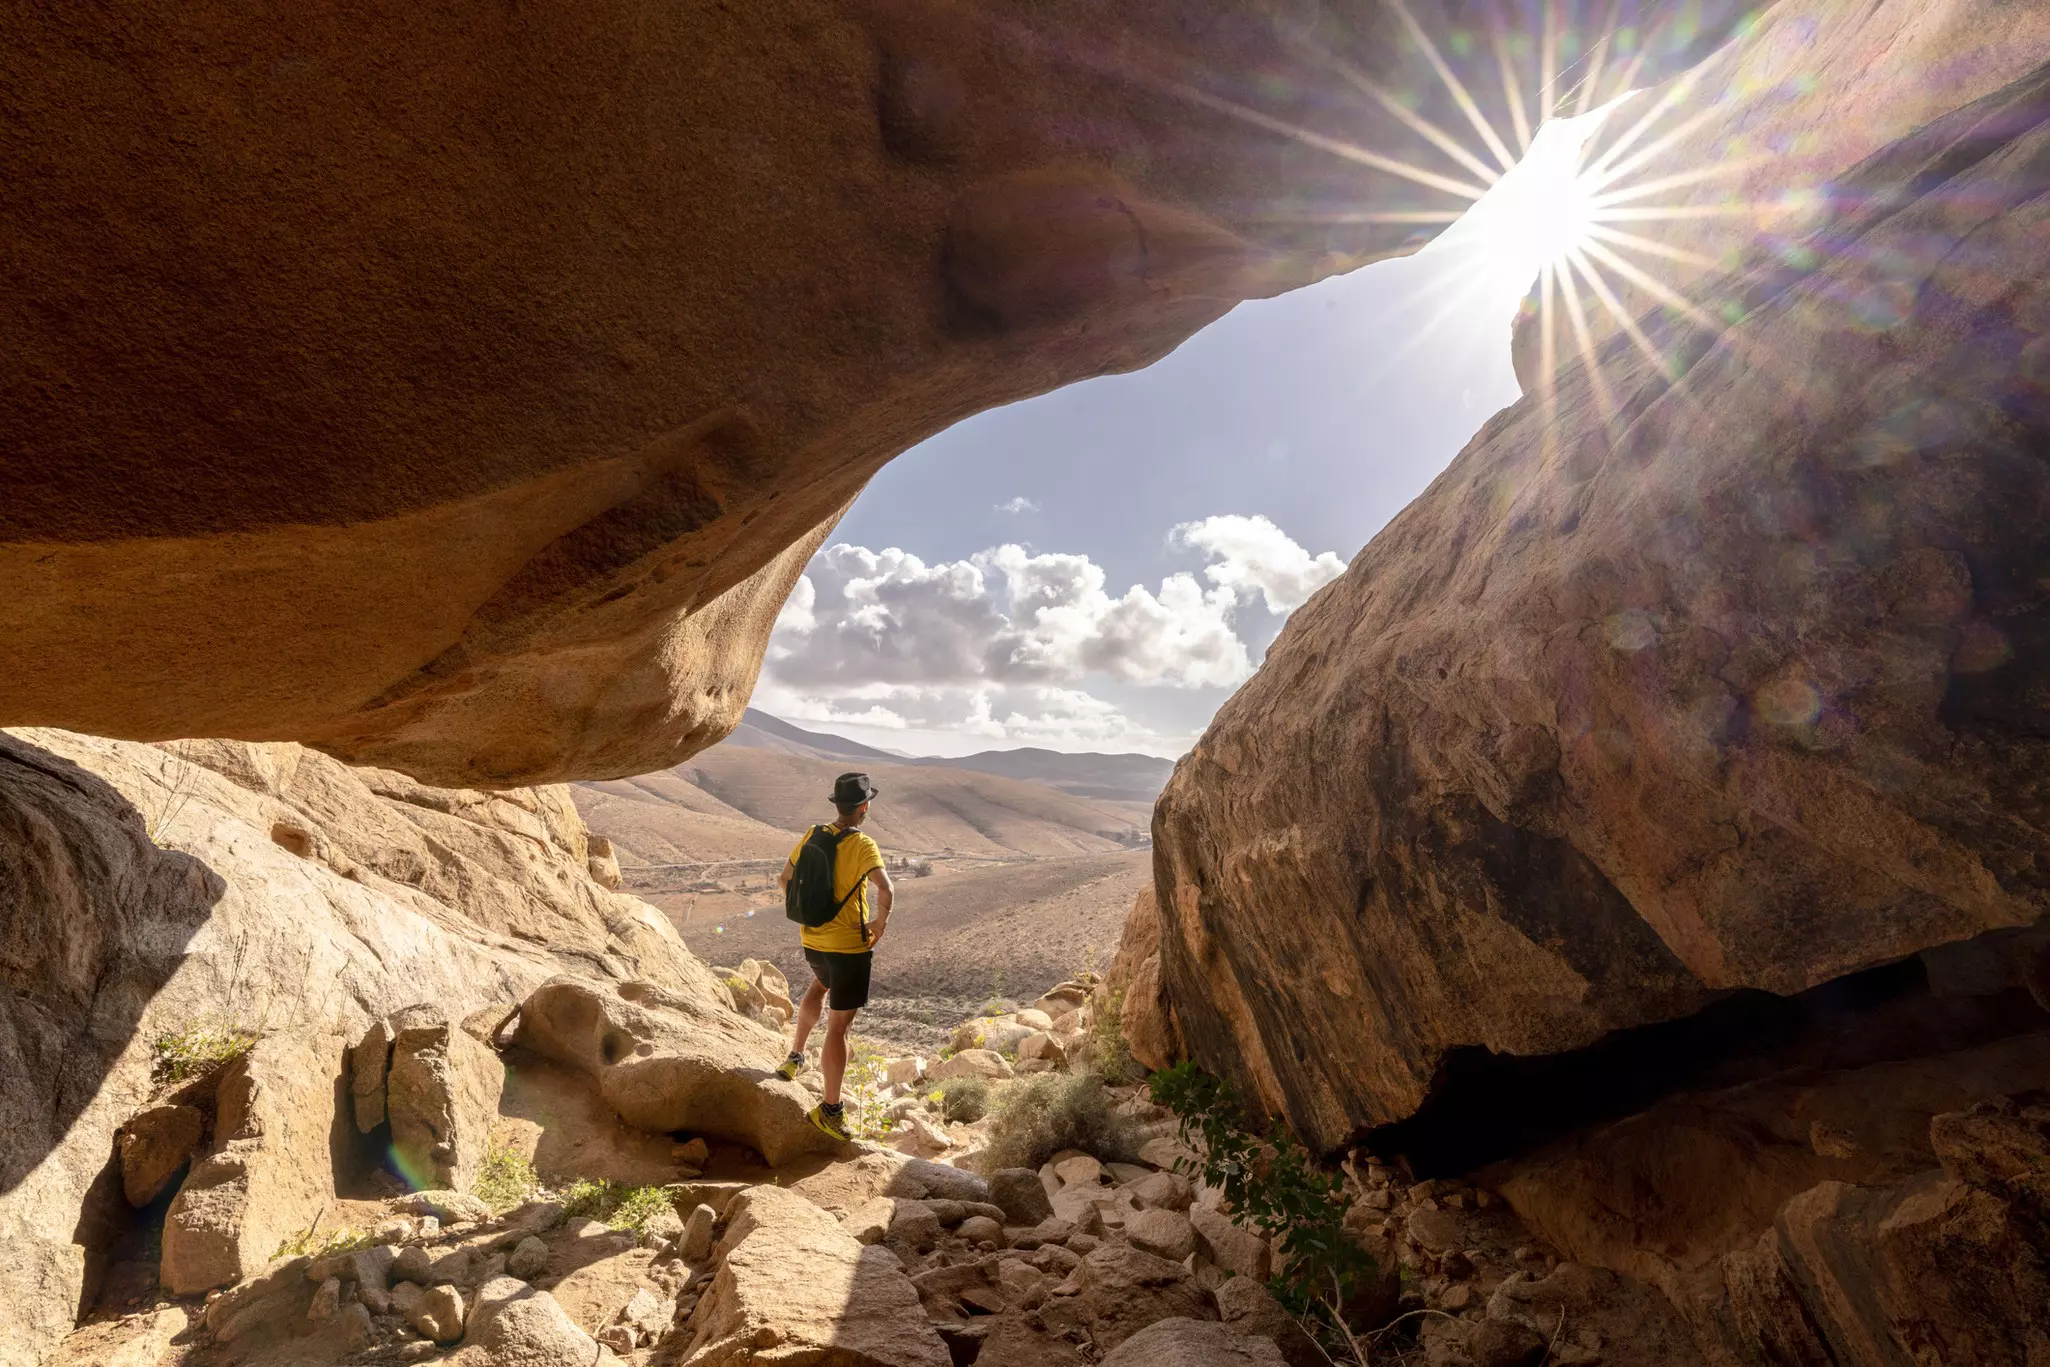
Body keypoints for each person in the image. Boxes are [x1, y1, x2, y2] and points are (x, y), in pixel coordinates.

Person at [776, 771, 894, 1141]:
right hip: (848, 947)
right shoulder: (863, 845)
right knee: (839, 1026)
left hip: (813, 940)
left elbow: (784, 879)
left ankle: (795, 1057)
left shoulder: (813, 834)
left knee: (818, 987)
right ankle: (830, 1110)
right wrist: (880, 922)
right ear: (862, 807)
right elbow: (886, 888)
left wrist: (814, 909)